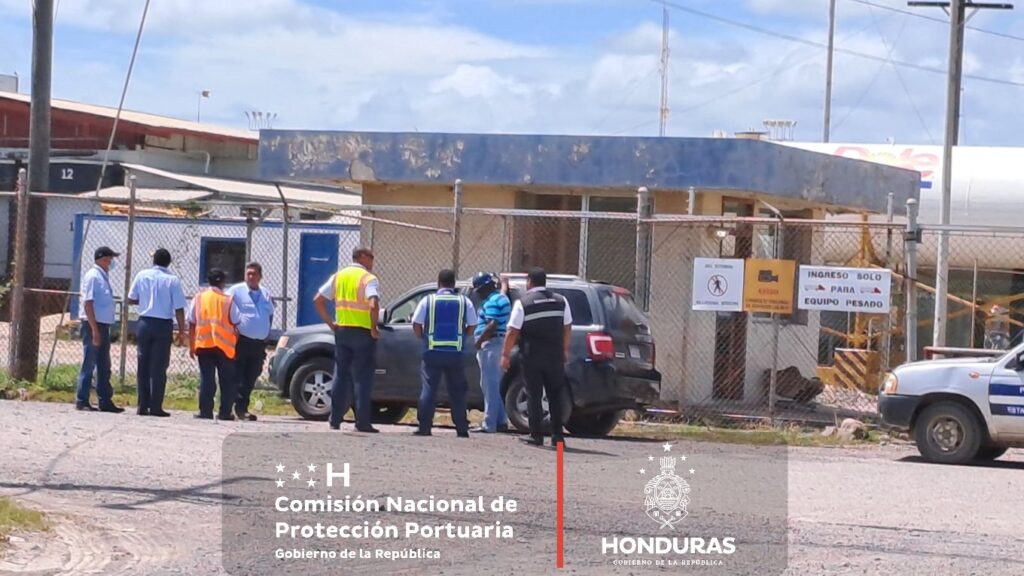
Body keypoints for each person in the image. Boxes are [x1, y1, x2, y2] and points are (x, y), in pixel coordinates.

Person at [502, 267, 572, 448]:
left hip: (531, 355)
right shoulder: (561, 301)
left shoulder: (523, 303)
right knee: (555, 394)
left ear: (529, 282)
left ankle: (536, 435)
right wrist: (565, 349)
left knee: (534, 394)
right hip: (555, 356)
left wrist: (505, 354)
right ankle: (558, 437)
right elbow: (567, 327)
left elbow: (512, 331)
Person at [314, 247, 381, 432]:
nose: (372, 261)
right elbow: (373, 304)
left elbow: (318, 299)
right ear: (362, 257)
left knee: (341, 375)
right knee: (362, 378)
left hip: (342, 331)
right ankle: (362, 422)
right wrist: (374, 327)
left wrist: (331, 323)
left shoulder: (339, 276)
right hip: (363, 332)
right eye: (371, 257)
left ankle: (335, 419)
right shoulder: (368, 278)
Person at [412, 269, 478, 437]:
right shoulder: (464, 301)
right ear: (454, 284)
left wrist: (423, 337)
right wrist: (463, 336)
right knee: (457, 391)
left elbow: (416, 323)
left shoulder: (428, 300)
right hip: (455, 352)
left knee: (429, 389)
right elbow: (472, 324)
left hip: (432, 350)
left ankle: (424, 427)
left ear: (438, 283)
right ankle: (461, 428)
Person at [128, 248, 187, 417]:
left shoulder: (142, 275)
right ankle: (155, 406)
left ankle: (142, 404)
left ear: (154, 261)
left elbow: (131, 298)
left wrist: (145, 300)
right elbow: (179, 307)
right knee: (159, 366)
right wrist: (181, 330)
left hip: (145, 322)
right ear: (168, 262)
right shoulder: (172, 280)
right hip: (163, 324)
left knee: (143, 364)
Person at [74, 246, 124, 413]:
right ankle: (82, 399)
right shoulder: (93, 276)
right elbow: (88, 303)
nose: (111, 262)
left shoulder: (102, 276)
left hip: (103, 325)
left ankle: (105, 400)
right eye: (109, 259)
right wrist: (94, 330)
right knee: (89, 362)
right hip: (93, 324)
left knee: (104, 364)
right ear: (102, 259)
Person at [188, 268, 241, 421]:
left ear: (208, 281)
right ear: (223, 283)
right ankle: (225, 412)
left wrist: (191, 345)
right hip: (224, 347)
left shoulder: (199, 298)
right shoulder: (228, 300)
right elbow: (237, 321)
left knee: (207, 379)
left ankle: (205, 411)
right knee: (227, 381)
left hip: (204, 344)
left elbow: (191, 322)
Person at [227, 262, 274, 421]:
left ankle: (242, 407)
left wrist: (266, 331)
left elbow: (270, 314)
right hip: (241, 341)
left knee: (252, 375)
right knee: (236, 374)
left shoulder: (265, 293)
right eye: (249, 274)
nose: (251, 276)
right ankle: (231, 407)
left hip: (258, 343)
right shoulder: (235, 291)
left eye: (254, 274)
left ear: (260, 276)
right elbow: (225, 311)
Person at [471, 272, 511, 433]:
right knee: (493, 384)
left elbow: (492, 324)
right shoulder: (501, 298)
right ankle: (501, 421)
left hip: (491, 344)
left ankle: (489, 424)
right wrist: (504, 284)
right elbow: (503, 292)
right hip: (498, 343)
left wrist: (479, 342)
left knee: (490, 386)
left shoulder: (492, 302)